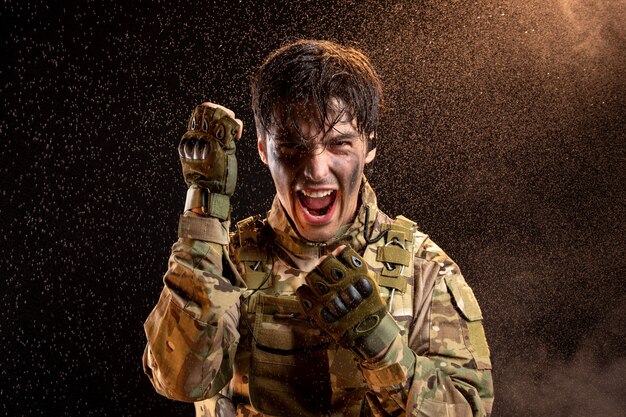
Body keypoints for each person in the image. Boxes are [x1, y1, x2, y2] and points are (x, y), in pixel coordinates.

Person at [143, 39, 494, 417]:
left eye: (339, 144)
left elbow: (469, 410)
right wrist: (204, 213)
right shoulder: (221, 258)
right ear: (263, 149)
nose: (315, 169)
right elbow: (180, 381)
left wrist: (381, 346)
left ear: (369, 144)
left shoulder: (425, 270)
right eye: (291, 146)